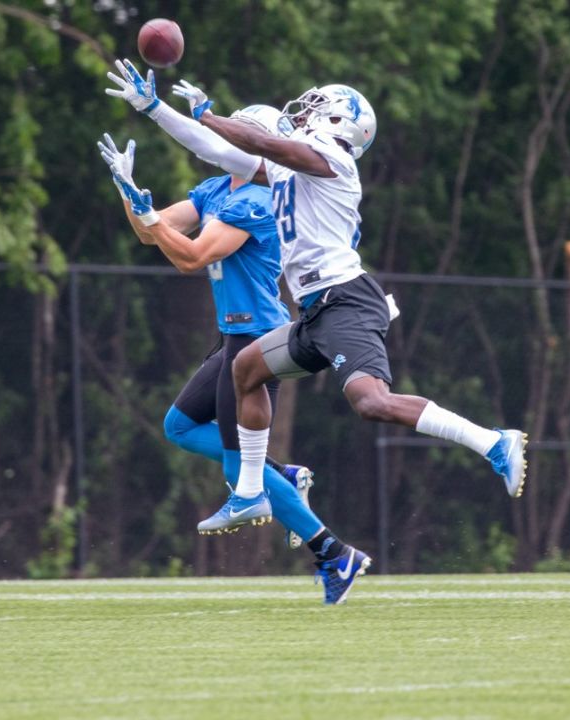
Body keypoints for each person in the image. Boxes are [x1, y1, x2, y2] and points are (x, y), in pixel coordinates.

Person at [104, 60, 527, 605]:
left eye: (314, 107)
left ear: (337, 123)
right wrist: (154, 109)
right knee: (246, 369)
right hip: (313, 311)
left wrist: (211, 110)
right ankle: (253, 490)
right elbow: (218, 152)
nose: (300, 112)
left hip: (347, 301)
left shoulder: (331, 159)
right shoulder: (285, 169)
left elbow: (266, 146)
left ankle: (493, 442)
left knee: (371, 403)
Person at [95, 105, 320, 554]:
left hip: (259, 337)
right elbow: (150, 234)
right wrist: (127, 191)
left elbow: (191, 257)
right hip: (232, 336)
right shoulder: (215, 189)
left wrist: (153, 219)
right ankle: (283, 475)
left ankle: (332, 552)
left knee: (240, 469)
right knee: (179, 427)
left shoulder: (258, 199)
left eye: (239, 130)